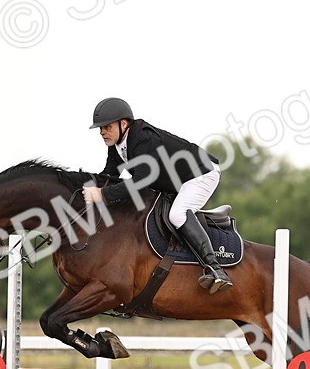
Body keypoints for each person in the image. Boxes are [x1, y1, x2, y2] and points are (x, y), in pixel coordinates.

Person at [83, 97, 232, 293]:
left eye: (107, 127)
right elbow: (109, 176)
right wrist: (82, 185)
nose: (102, 132)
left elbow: (140, 182)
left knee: (177, 214)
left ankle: (215, 269)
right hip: (178, 181)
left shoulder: (143, 139)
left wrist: (102, 194)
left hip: (202, 173)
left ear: (123, 124)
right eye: (101, 128)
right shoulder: (117, 145)